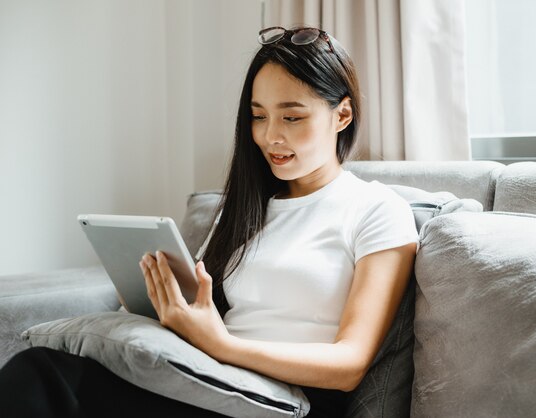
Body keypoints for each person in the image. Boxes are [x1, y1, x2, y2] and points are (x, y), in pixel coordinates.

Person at [0, 26, 418, 418]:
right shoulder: (245, 209)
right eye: (258, 116)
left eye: (291, 117)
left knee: (46, 377)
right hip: (212, 378)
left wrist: (222, 345)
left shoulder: (376, 209)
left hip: (284, 400)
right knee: (47, 375)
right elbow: (205, 311)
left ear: (342, 115)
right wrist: (159, 302)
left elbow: (349, 365)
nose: (271, 136)